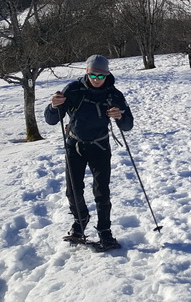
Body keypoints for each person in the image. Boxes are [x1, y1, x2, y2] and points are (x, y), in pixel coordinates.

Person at [44, 54, 134, 249]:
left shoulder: (113, 94)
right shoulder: (73, 90)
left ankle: (105, 232)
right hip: (74, 145)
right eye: (93, 74)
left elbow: (128, 125)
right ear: (86, 71)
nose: (97, 79)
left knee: (102, 192)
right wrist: (53, 106)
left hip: (100, 146)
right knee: (73, 190)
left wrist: (121, 115)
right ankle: (80, 221)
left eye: (101, 76)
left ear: (107, 74)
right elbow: (51, 120)